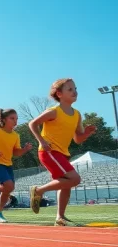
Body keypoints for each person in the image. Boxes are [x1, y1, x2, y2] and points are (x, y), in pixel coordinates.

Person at [28, 79, 96, 225]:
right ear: (59, 94)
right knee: (75, 179)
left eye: (75, 88)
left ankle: (60, 217)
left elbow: (78, 139)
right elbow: (32, 124)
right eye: (70, 89)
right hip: (49, 151)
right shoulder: (54, 111)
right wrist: (41, 141)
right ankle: (38, 191)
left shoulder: (77, 115)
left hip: (62, 153)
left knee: (67, 183)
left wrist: (87, 133)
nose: (75, 91)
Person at [0, 109, 33, 222]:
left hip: (8, 164)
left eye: (16, 119)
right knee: (8, 186)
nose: (15, 121)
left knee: (9, 188)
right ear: (4, 120)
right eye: (12, 118)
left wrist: (25, 149)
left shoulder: (16, 135)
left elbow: (16, 152)